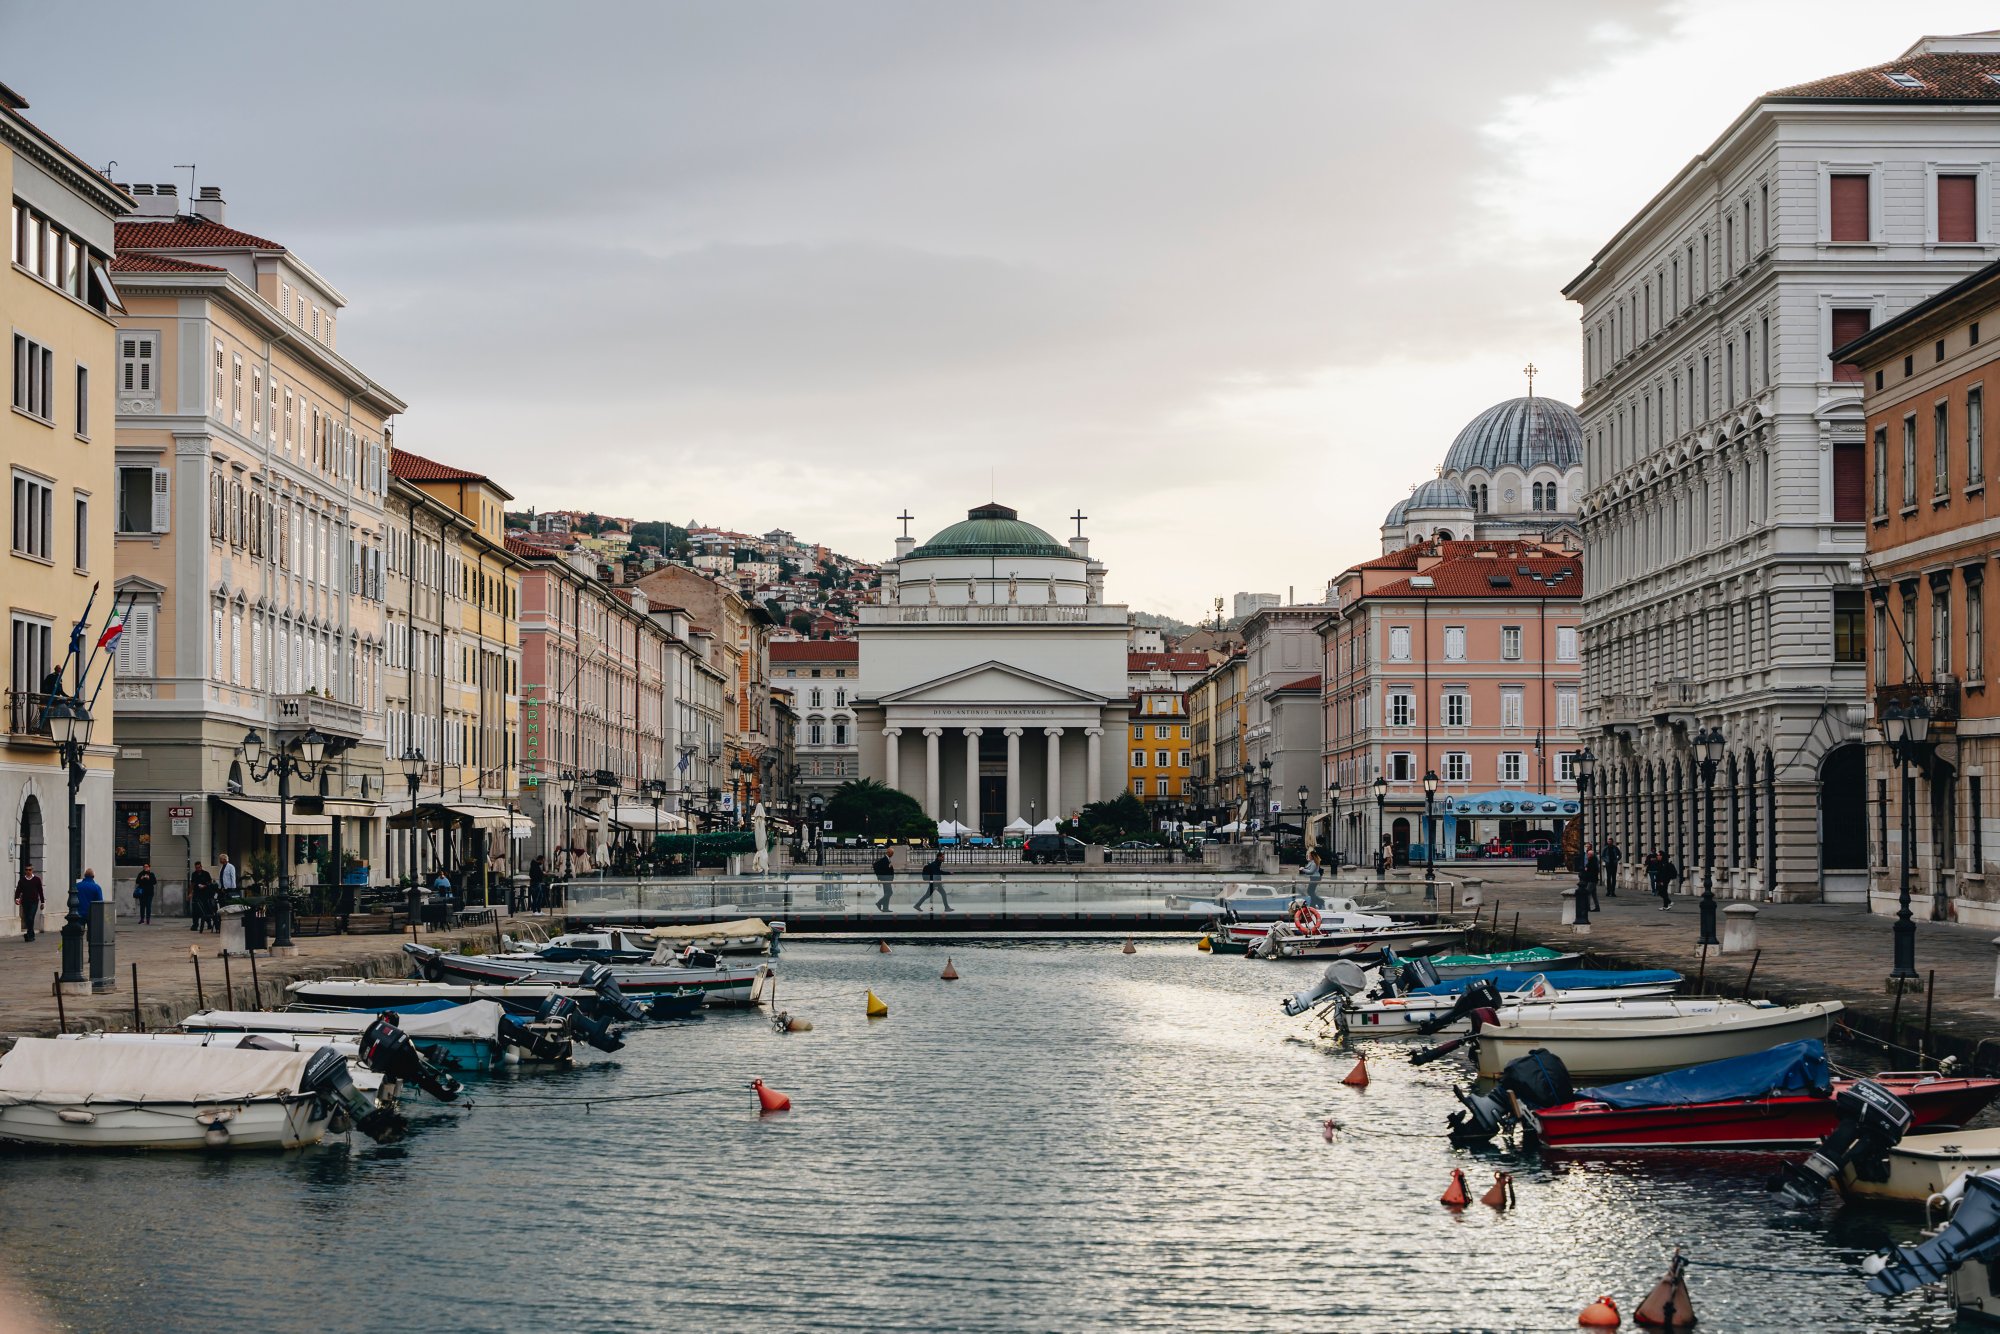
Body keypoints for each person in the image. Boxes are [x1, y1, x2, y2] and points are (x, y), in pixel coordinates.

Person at [14, 863, 43, 942]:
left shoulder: (37, 879)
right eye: (26, 870)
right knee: (27, 919)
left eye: (29, 870)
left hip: (34, 902)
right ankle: (30, 934)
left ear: (32, 870)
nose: (28, 871)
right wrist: (16, 898)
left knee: (31, 917)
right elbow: (18, 890)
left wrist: (42, 902)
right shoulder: (22, 880)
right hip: (25, 902)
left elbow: (40, 891)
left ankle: (30, 935)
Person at [188, 862, 216, 932]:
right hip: (197, 893)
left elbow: (210, 882)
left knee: (205, 909)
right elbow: (192, 884)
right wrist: (190, 893)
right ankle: (195, 925)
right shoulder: (194, 874)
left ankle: (209, 923)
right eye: (196, 868)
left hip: (205, 894)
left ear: (201, 867)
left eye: (199, 867)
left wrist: (204, 886)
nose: (198, 869)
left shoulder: (206, 873)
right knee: (195, 909)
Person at [1579, 843, 1601, 912]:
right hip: (1593, 880)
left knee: (1587, 893)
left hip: (1592, 880)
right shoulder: (1592, 861)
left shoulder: (1592, 862)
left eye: (1588, 855)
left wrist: (1586, 869)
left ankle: (1587, 907)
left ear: (1591, 855)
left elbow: (1591, 870)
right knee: (1594, 894)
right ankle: (1597, 907)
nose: (1587, 856)